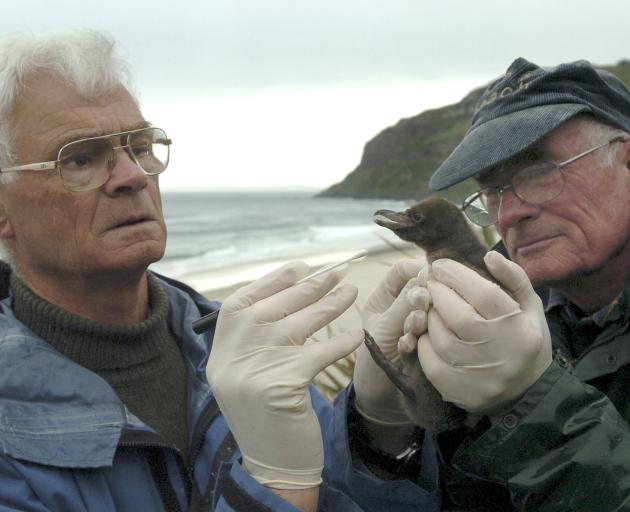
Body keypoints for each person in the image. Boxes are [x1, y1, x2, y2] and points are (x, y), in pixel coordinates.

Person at [0, 30, 439, 511]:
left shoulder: (232, 342)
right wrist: (275, 490)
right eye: (80, 157)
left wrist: (378, 429)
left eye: (140, 146)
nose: (132, 176)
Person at [352, 57, 630, 510]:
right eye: (492, 190)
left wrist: (534, 407)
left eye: (538, 171)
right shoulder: (480, 303)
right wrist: (382, 431)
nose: (507, 214)